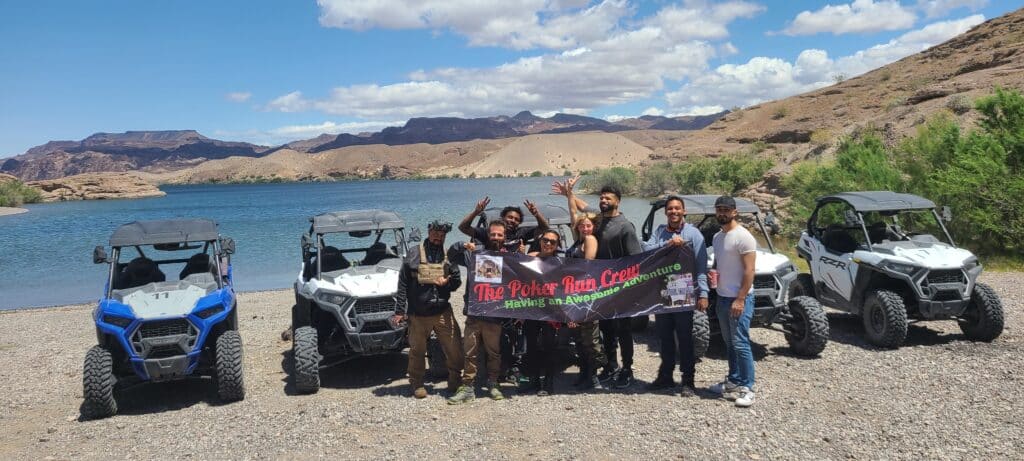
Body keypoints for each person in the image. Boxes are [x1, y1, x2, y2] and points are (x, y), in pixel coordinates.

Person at [641, 195, 709, 397]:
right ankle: (666, 377)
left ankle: (688, 381)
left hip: (685, 293)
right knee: (664, 337)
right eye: (670, 209)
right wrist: (669, 244)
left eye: (677, 208)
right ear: (666, 212)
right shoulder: (660, 232)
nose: (674, 212)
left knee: (685, 339)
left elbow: (701, 266)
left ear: (684, 211)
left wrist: (703, 293)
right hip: (663, 292)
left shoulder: (694, 234)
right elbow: (646, 249)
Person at [395, 219, 464, 399]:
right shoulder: (413, 253)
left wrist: (448, 283)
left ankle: (455, 380)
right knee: (417, 350)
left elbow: (457, 282)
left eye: (442, 235)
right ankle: (417, 383)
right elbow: (402, 283)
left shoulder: (449, 255)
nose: (438, 237)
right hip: (418, 314)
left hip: (442, 310)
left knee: (455, 347)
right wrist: (399, 311)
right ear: (429, 231)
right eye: (435, 233)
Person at [446, 220, 510, 404]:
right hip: (474, 314)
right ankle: (467, 387)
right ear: (487, 235)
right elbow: (450, 255)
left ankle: (493, 383)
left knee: (494, 353)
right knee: (470, 352)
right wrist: (462, 245)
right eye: (493, 234)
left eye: (500, 235)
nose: (496, 237)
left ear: (504, 237)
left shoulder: (510, 258)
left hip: (494, 315)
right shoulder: (475, 253)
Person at [552, 176, 605, 390]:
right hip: (574, 294)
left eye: (588, 225)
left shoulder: (590, 240)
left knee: (590, 338)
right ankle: (584, 373)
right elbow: (574, 214)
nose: (584, 228)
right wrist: (569, 194)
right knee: (579, 338)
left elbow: (587, 267)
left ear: (593, 226)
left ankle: (594, 376)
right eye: (582, 226)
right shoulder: (578, 240)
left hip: (586, 295)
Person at [707, 196, 757, 407]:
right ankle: (734, 380)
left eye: (726, 210)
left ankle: (748, 387)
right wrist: (713, 274)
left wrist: (741, 298)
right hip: (722, 297)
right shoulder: (718, 237)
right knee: (729, 343)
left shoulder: (744, 237)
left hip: (739, 299)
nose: (722, 213)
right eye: (719, 209)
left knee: (741, 342)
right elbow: (719, 263)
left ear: (735, 212)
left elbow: (750, 270)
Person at [592, 185, 642, 389]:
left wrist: (630, 289)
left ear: (618, 201)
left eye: (608, 198)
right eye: (601, 197)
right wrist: (569, 195)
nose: (603, 200)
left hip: (621, 289)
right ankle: (611, 366)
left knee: (624, 331)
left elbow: (635, 259)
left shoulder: (625, 226)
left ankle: (627, 368)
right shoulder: (598, 222)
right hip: (601, 288)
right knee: (607, 330)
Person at [521, 229, 564, 396]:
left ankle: (548, 383)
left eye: (552, 242)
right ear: (540, 241)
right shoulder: (531, 256)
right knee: (531, 346)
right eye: (546, 240)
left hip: (551, 311)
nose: (548, 244)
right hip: (532, 309)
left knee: (549, 347)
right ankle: (534, 381)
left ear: (556, 245)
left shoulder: (560, 262)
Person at [458, 197, 550, 251]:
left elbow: (544, 228)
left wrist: (536, 214)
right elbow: (463, 228)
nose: (513, 220)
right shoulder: (490, 232)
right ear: (503, 218)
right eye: (510, 217)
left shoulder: (522, 233)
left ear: (519, 223)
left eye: (516, 219)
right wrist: (475, 212)